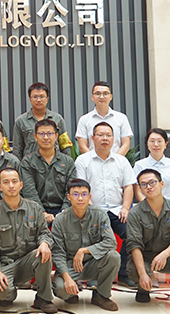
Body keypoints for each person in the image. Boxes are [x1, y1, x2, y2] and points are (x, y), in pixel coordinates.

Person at [0, 167, 57, 313]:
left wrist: (44, 243)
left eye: (14, 181)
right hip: (5, 265)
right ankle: (9, 293)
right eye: (6, 182)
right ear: (0, 186)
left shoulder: (34, 208)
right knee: (3, 293)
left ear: (21, 184)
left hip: (27, 261)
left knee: (43, 253)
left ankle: (43, 298)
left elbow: (44, 233)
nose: (11, 185)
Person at [75, 122, 137, 288]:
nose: (105, 138)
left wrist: (125, 208)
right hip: (93, 210)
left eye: (108, 135)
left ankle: (124, 274)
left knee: (132, 234)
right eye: (100, 135)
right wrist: (92, 209)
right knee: (94, 238)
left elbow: (128, 186)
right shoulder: (83, 161)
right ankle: (94, 275)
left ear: (113, 139)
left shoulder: (122, 161)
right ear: (92, 138)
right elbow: (81, 189)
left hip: (117, 210)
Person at [50, 178, 120, 310]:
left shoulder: (99, 214)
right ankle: (71, 292)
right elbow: (58, 253)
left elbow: (111, 242)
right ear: (69, 197)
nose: (80, 198)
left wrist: (84, 250)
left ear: (89, 197)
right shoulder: (60, 220)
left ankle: (101, 296)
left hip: (94, 262)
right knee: (61, 290)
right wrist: (67, 278)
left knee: (113, 256)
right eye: (75, 194)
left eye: (84, 194)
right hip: (71, 265)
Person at [20, 119, 76, 225]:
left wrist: (63, 212)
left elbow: (71, 190)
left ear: (56, 136)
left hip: (64, 210)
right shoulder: (27, 162)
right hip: (35, 210)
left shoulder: (67, 161)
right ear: (35, 137)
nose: (46, 137)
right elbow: (29, 190)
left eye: (50, 133)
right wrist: (42, 212)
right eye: (41, 134)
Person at [126, 169, 170, 303]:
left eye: (152, 182)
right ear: (140, 189)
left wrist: (165, 254)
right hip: (146, 257)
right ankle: (143, 288)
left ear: (162, 184)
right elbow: (134, 245)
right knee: (133, 268)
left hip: (167, 255)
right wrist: (143, 275)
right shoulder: (135, 213)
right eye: (144, 184)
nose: (149, 187)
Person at [12, 83, 71, 160]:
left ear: (47, 98)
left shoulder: (57, 119)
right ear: (30, 99)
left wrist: (67, 162)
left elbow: (65, 145)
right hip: (30, 164)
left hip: (54, 163)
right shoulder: (21, 121)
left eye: (42, 96)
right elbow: (17, 149)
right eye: (35, 97)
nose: (38, 100)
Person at [76, 81, 133, 155]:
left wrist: (115, 160)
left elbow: (125, 144)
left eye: (105, 93)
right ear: (92, 97)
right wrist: (94, 160)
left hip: (116, 160)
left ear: (111, 97)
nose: (101, 97)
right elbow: (82, 146)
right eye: (97, 93)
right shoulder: (84, 120)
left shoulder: (122, 118)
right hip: (92, 161)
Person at [133, 128, 170, 202]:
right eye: (152, 141)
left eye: (159, 141)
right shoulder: (139, 165)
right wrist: (149, 206)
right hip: (147, 206)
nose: (156, 145)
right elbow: (138, 192)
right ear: (147, 143)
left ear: (165, 144)